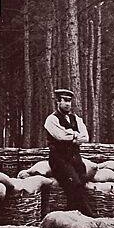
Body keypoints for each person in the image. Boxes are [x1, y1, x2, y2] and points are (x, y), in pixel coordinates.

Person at [43, 88, 94, 216]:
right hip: (59, 157)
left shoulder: (76, 118)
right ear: (58, 102)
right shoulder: (52, 119)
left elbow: (85, 137)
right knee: (74, 183)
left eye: (69, 101)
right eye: (64, 101)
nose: (67, 104)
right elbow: (60, 136)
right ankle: (89, 215)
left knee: (82, 181)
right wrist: (75, 136)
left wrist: (71, 136)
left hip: (75, 156)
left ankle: (72, 213)